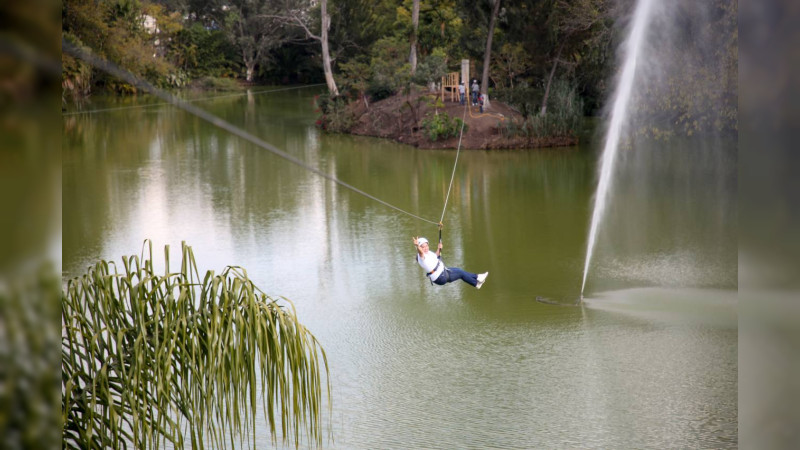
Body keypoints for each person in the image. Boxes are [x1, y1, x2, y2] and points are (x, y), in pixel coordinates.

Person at [412, 236, 488, 288]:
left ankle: (478, 277)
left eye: (426, 246)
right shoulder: (421, 256)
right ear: (419, 249)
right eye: (423, 247)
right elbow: (420, 252)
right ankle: (476, 283)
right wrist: (417, 245)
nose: (425, 248)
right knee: (461, 273)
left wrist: (439, 248)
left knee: (459, 270)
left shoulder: (428, 253)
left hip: (443, 272)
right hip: (440, 277)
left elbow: (436, 256)